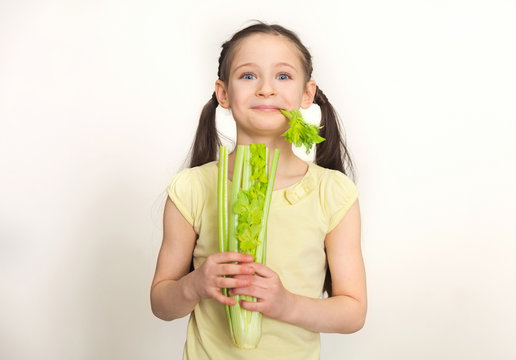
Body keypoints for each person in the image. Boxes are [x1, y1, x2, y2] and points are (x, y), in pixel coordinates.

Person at [150, 21, 367, 359]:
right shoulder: (192, 188)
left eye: (283, 76)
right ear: (223, 93)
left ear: (307, 94)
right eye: (248, 76)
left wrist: (286, 304)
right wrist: (194, 284)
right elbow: (162, 304)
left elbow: (353, 312)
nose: (266, 89)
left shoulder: (333, 193)